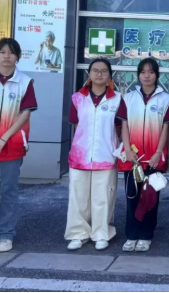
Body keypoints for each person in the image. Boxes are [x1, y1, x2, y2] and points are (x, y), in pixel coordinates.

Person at [0, 38, 37, 253]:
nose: (7, 56)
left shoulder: (25, 82)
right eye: (2, 52)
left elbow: (25, 113)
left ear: (18, 57)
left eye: (11, 52)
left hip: (12, 142)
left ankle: (6, 234)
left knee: (9, 189)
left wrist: (4, 138)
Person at [65, 59, 123, 251]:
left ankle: (101, 233)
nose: (99, 74)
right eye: (95, 70)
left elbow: (120, 128)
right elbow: (76, 126)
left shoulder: (117, 99)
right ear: (89, 74)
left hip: (105, 155)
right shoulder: (78, 98)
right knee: (78, 197)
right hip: (80, 156)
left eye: (104, 71)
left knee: (103, 197)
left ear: (109, 75)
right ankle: (78, 233)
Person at [117, 58, 169, 252]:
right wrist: (127, 149)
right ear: (138, 75)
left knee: (150, 197)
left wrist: (158, 153)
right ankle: (132, 235)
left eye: (150, 72)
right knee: (132, 196)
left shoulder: (167, 100)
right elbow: (124, 125)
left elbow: (166, 129)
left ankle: (146, 235)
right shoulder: (128, 98)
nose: (147, 76)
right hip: (133, 158)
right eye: (143, 72)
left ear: (157, 75)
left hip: (154, 159)